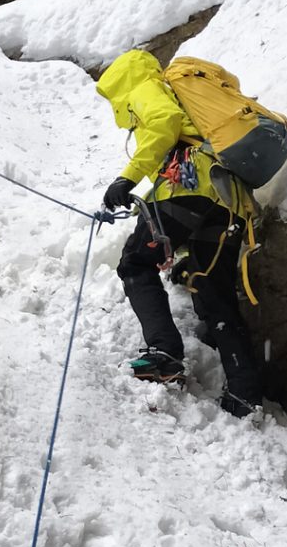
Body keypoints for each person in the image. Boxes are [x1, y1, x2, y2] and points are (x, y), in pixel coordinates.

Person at [96, 49, 263, 418]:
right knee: (215, 291)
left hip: (184, 186)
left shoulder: (144, 86)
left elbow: (164, 122)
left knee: (136, 263)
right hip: (228, 200)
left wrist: (129, 177)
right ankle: (244, 395)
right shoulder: (184, 95)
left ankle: (164, 352)